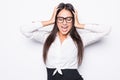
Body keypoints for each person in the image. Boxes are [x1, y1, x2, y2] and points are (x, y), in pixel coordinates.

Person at [20, 2, 111, 80]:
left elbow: (106, 30)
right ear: (56, 20)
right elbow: (25, 30)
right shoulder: (47, 37)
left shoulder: (80, 39)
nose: (64, 23)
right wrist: (50, 21)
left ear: (73, 20)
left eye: (68, 19)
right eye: (60, 19)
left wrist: (79, 25)